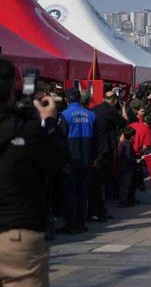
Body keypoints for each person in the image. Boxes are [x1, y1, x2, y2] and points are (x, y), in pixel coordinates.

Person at [0, 56, 68, 286]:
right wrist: (48, 123)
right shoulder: (24, 129)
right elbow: (57, 160)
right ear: (10, 90)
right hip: (18, 236)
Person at [58, 88, 96, 235]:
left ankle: (70, 224)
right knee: (82, 193)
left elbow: (60, 140)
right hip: (86, 160)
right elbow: (96, 141)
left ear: (67, 99)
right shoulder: (91, 115)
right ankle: (81, 223)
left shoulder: (64, 115)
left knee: (70, 194)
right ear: (80, 98)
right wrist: (93, 158)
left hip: (70, 161)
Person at [88, 91, 127, 223]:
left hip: (95, 149)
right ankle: (96, 211)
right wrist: (123, 108)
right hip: (105, 151)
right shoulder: (109, 111)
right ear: (114, 101)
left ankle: (99, 210)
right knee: (99, 183)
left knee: (96, 183)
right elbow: (124, 122)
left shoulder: (94, 109)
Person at [117, 126, 137, 207]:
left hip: (122, 167)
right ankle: (124, 201)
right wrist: (135, 160)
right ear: (132, 137)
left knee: (123, 185)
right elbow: (128, 157)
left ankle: (124, 200)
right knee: (126, 185)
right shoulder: (128, 145)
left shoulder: (122, 143)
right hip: (127, 168)